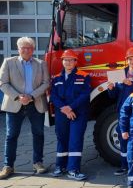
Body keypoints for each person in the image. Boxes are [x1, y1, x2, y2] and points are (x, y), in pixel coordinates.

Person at [0, 37, 50, 179]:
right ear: (18, 49)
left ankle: (38, 163)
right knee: (11, 136)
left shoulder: (41, 64)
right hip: (15, 103)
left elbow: (46, 83)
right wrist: (18, 97)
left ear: (33, 49)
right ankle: (8, 166)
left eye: (29, 47)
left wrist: (32, 96)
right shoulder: (9, 62)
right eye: (23, 47)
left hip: (36, 103)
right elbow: (3, 83)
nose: (26, 50)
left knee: (38, 134)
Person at [50, 50, 91, 180]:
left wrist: (71, 107)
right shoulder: (56, 78)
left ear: (75, 62)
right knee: (62, 138)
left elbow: (85, 95)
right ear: (62, 61)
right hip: (62, 113)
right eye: (65, 60)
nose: (68, 62)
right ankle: (60, 166)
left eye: (71, 60)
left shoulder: (84, 76)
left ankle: (73, 169)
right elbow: (53, 96)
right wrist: (65, 109)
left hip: (78, 113)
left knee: (75, 139)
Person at [107, 47, 133, 176]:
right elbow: (113, 95)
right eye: (130, 59)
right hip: (123, 111)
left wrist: (131, 84)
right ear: (126, 60)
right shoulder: (119, 74)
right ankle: (124, 166)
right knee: (123, 137)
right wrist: (111, 88)